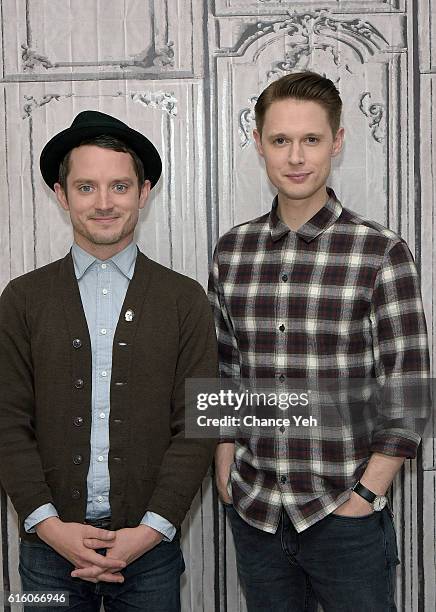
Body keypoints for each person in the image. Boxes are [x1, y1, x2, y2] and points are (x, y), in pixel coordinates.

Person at [209, 72, 430, 611]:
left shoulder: (380, 251)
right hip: (256, 512)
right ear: (259, 144)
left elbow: (407, 387)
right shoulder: (232, 252)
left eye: (311, 139)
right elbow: (226, 369)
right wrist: (224, 461)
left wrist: (367, 493)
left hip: (343, 514)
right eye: (280, 140)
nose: (296, 156)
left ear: (337, 141)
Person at [0, 110, 218, 611]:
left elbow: (199, 425)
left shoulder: (184, 300)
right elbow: (8, 421)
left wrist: (149, 530)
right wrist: (49, 525)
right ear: (61, 194)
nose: (103, 203)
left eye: (119, 187)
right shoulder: (22, 298)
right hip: (46, 551)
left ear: (144, 193)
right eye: (86, 187)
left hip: (149, 551)